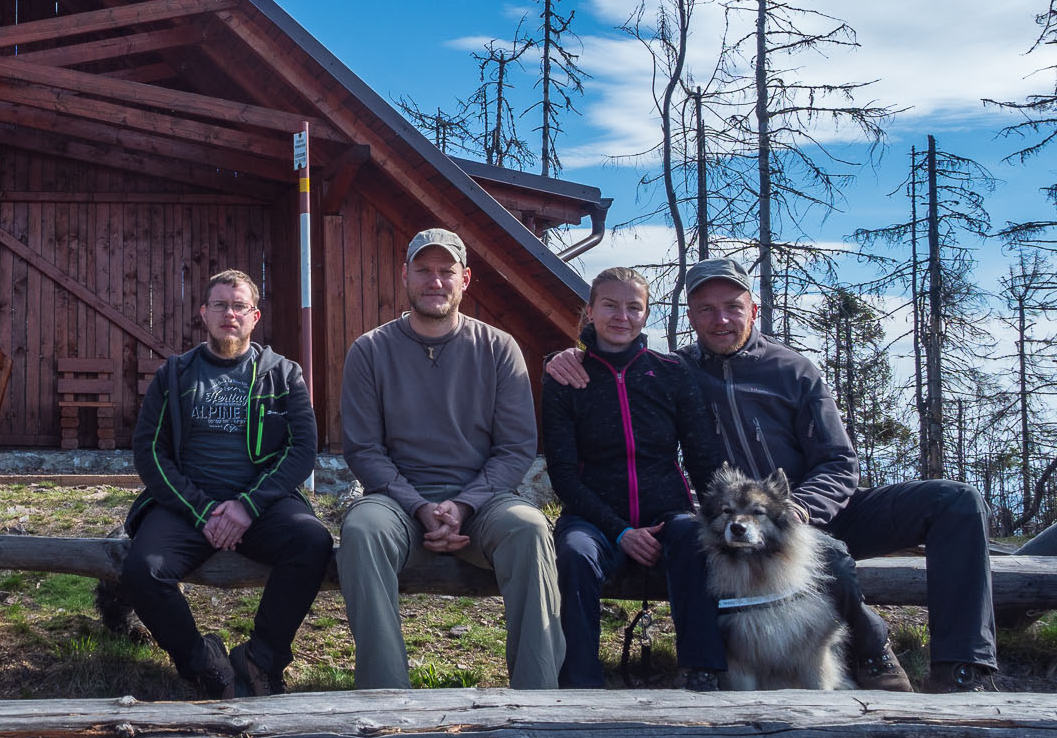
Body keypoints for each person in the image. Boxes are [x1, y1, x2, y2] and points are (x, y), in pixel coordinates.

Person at [547, 257, 994, 692]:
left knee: (955, 500)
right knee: (830, 556)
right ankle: (873, 651)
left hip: (818, 508)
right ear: (691, 318)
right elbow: (617, 365)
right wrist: (565, 355)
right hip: (751, 524)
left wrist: (799, 508)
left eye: (733, 307)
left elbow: (839, 462)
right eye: (706, 310)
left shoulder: (791, 369)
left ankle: (961, 668)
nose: (720, 320)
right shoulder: (678, 371)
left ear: (753, 310)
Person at [337, 228, 563, 690]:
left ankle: (538, 698)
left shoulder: (500, 349)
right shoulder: (370, 350)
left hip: (484, 504)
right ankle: (385, 698)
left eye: (446, 272)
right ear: (405, 276)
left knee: (531, 528)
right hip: (396, 504)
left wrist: (464, 505)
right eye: (424, 270)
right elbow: (363, 449)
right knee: (361, 530)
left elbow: (515, 447)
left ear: (466, 279)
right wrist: (418, 506)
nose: (434, 282)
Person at [122, 269, 329, 698]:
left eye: (238, 306)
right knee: (143, 570)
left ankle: (260, 660)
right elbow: (149, 452)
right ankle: (202, 664)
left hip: (263, 506)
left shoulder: (283, 374)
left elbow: (302, 451)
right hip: (187, 508)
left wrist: (246, 507)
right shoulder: (175, 375)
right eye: (219, 305)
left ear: (255, 315)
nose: (229, 314)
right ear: (203, 313)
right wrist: (202, 511)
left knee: (312, 542)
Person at [543, 266, 725, 689]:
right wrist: (621, 531)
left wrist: (719, 511)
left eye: (633, 307)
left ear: (646, 315)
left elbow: (703, 459)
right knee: (573, 554)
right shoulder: (565, 378)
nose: (621, 316)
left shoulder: (671, 372)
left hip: (667, 515)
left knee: (695, 540)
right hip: (593, 519)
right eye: (609, 305)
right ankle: (581, 683)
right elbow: (564, 475)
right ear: (589, 311)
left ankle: (704, 672)